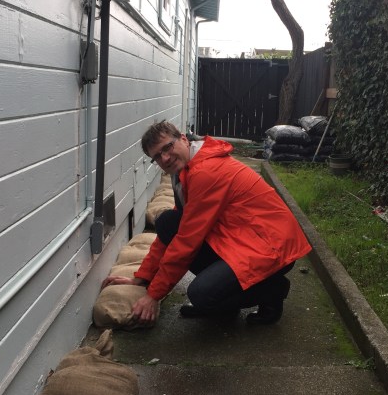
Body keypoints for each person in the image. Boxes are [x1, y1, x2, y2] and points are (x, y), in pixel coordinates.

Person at [101, 120, 311, 326]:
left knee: (202, 295)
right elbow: (178, 230)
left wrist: (153, 296)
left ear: (183, 139)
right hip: (243, 237)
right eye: (157, 156)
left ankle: (272, 290)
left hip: (272, 247)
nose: (164, 158)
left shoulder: (205, 171)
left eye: (168, 147)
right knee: (168, 222)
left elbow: (187, 242)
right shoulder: (187, 169)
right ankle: (225, 303)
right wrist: (142, 278)